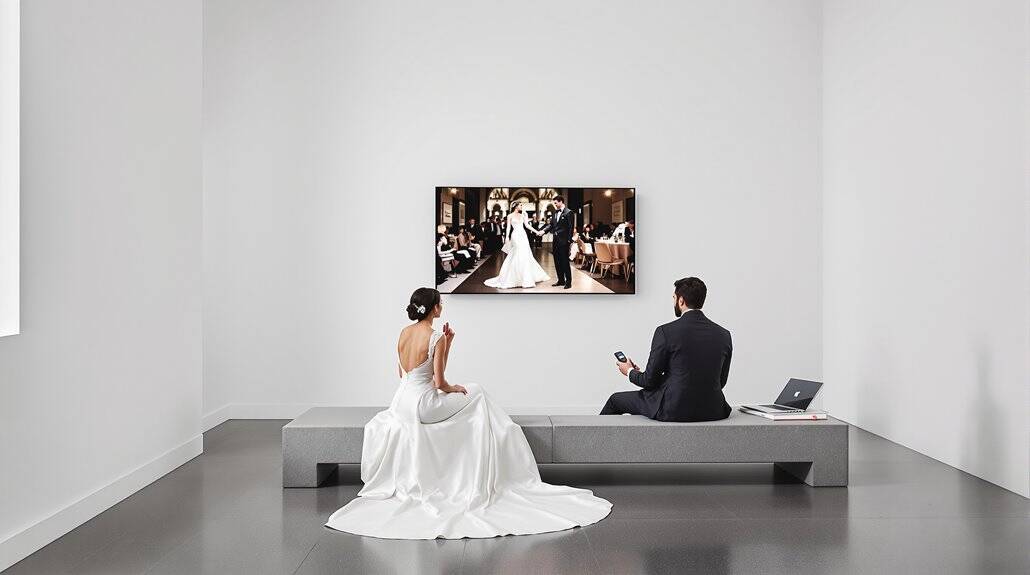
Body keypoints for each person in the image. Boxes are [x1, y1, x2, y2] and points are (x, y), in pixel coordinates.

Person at [325, 288, 611, 539]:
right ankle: (496, 449)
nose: (442, 308)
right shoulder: (434, 335)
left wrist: (447, 347)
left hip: (401, 401)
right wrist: (454, 384)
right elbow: (440, 382)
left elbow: (403, 372)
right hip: (425, 406)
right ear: (434, 308)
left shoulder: (403, 332)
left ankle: (493, 441)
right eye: (440, 304)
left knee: (470, 393)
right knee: (477, 391)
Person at [601, 277, 732, 422]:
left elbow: (649, 381)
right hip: (713, 409)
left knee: (615, 400)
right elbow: (720, 382)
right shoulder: (724, 334)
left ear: (681, 301)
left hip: (673, 408)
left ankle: (590, 444)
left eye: (674, 298)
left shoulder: (665, 332)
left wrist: (629, 372)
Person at [484, 201, 550, 289]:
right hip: (515, 236)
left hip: (523, 236)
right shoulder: (510, 216)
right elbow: (508, 227)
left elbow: (527, 226)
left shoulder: (523, 215)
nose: (522, 206)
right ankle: (514, 277)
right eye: (520, 205)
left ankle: (525, 278)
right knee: (517, 253)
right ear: (516, 206)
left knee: (525, 254)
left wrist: (537, 231)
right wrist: (507, 237)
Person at [535, 195, 575, 289]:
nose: (555, 204)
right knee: (557, 261)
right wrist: (543, 231)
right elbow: (551, 225)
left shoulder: (569, 212)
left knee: (565, 262)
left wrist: (569, 241)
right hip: (556, 241)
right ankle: (561, 280)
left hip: (564, 241)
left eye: (556, 203)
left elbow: (570, 228)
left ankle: (568, 282)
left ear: (561, 201)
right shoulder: (555, 212)